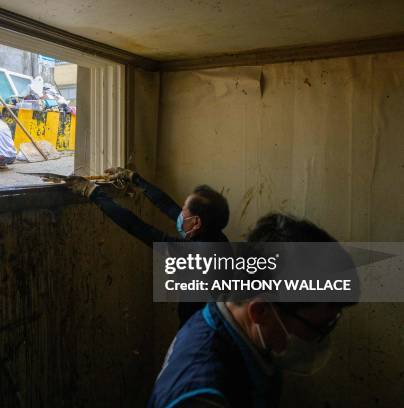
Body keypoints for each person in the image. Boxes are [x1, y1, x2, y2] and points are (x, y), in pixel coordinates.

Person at [148, 213, 357, 408]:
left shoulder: (242, 326)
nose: (320, 339)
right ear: (260, 312)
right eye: (318, 327)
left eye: (332, 322)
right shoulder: (200, 395)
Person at [66, 169, 230, 324]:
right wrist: (134, 178)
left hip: (201, 331)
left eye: (184, 210)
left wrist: (94, 193)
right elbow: (168, 206)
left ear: (196, 222)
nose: (180, 214)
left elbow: (137, 227)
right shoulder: (216, 237)